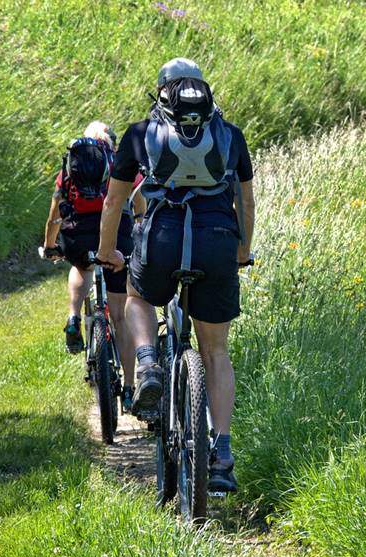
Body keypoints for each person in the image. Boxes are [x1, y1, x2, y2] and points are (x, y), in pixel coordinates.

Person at [96, 59, 255, 492]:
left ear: (161, 92)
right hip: (218, 241)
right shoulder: (230, 135)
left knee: (138, 296)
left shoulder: (138, 134)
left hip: (162, 237)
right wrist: (241, 252)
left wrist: (109, 251)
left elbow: (114, 203)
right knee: (216, 351)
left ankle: (147, 364)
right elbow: (246, 200)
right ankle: (221, 454)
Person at [40, 121, 146, 408]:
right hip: (117, 238)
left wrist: (51, 247)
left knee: (82, 267)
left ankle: (74, 316)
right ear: (111, 142)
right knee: (121, 318)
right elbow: (139, 203)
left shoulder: (70, 169)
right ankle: (129, 386)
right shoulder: (120, 163)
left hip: (78, 235)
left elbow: (54, 218)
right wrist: (138, 228)